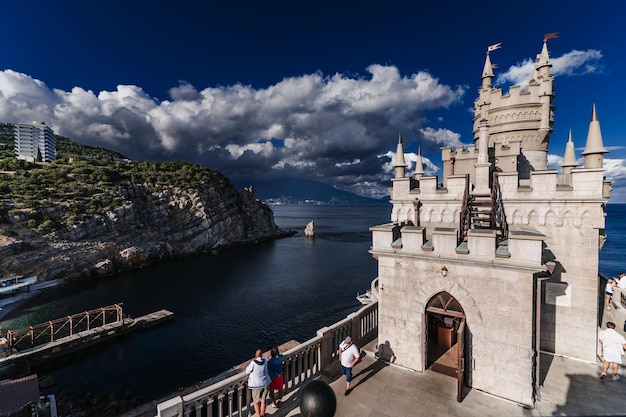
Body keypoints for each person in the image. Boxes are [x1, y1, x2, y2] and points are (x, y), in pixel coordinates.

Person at [246, 349, 271, 417]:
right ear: (262, 355)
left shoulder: (253, 363)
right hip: (265, 383)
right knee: (263, 400)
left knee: (256, 401)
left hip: (256, 385)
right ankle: (262, 414)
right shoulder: (265, 361)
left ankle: (258, 415)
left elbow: (247, 371)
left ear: (255, 355)